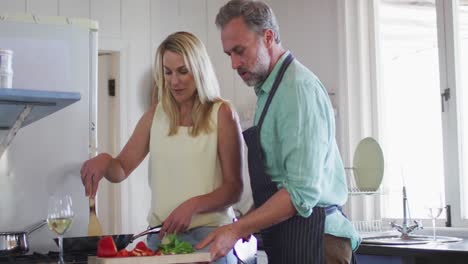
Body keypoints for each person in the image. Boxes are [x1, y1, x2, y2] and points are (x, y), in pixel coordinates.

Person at [196, 1, 361, 263]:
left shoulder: (297, 90)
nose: (234, 63)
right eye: (229, 54)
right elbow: (278, 181)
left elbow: (300, 193)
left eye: (240, 51)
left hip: (319, 240)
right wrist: (242, 221)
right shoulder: (270, 90)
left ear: (268, 37)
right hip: (291, 235)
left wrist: (238, 229)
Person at [80, 31, 243, 264]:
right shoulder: (155, 115)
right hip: (162, 239)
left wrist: (193, 206)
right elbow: (121, 168)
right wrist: (105, 161)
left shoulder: (223, 114)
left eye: (182, 71)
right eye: (168, 72)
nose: (174, 81)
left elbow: (234, 188)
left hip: (209, 240)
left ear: (199, 69)